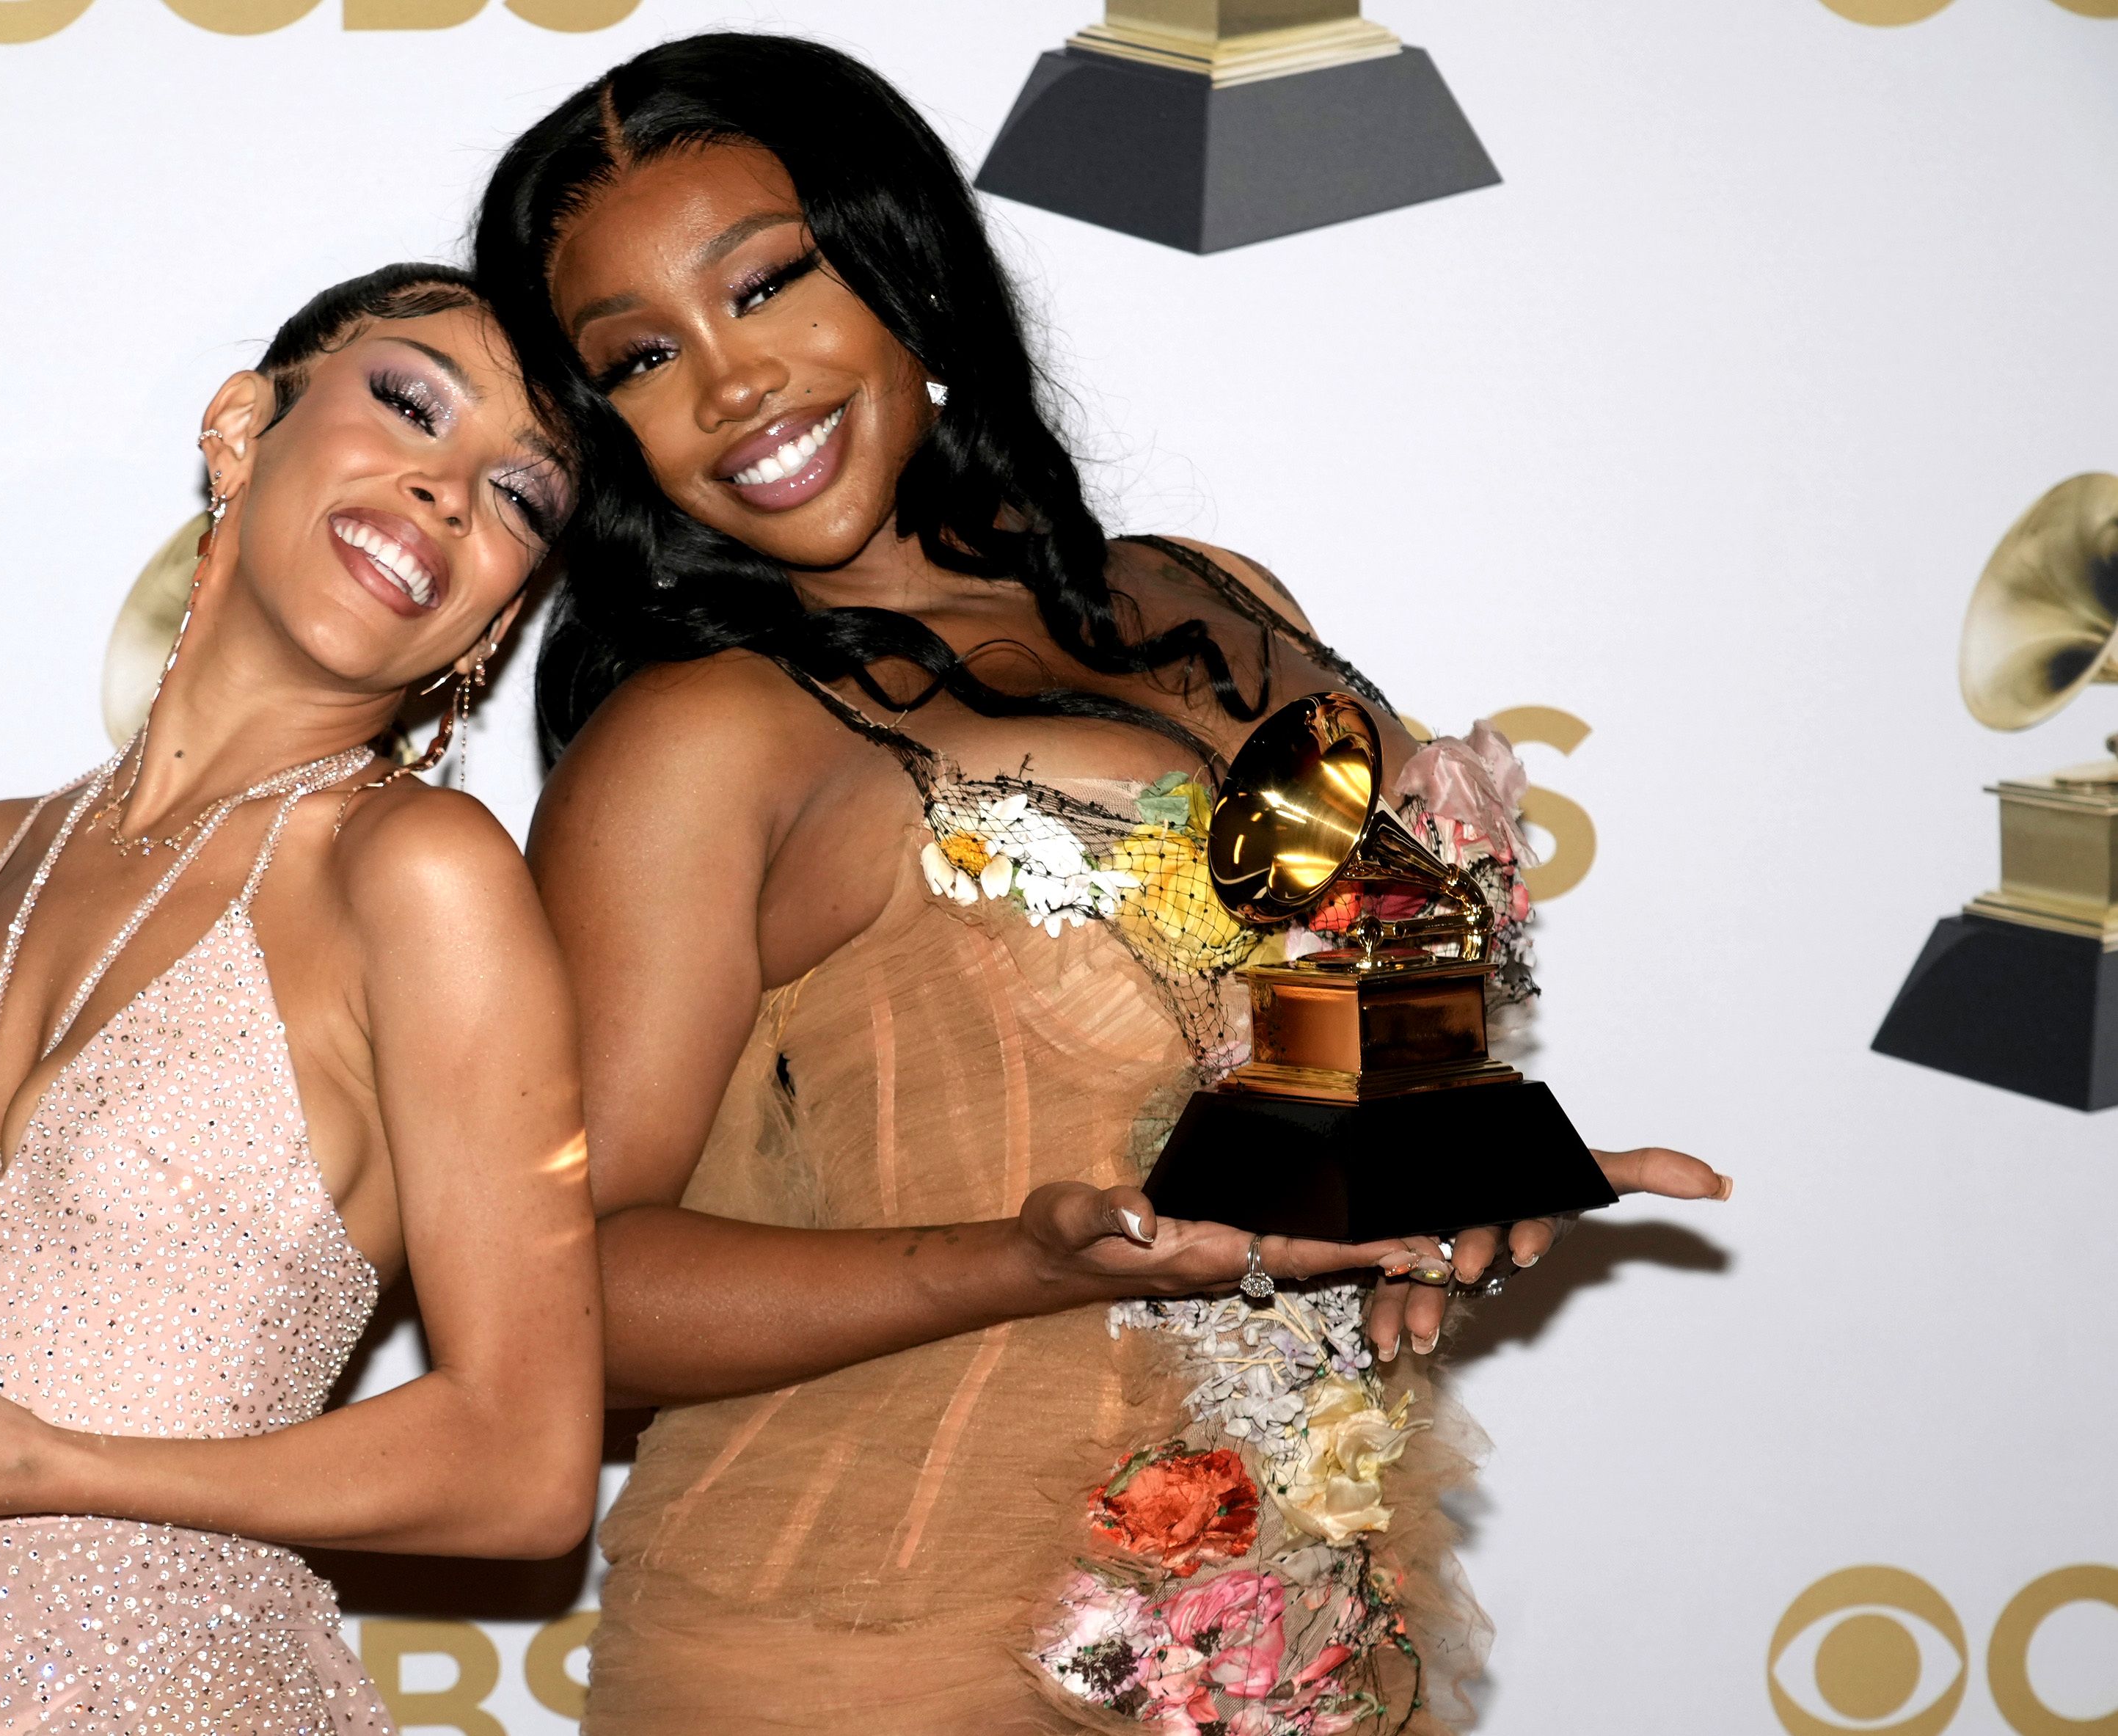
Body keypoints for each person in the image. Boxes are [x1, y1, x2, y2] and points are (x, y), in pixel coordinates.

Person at [470, 36, 1731, 1735]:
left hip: (1291, 1617)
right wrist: (1035, 1260)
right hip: (874, 1652)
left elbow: (1323, 1056)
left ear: (907, 260)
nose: (730, 384)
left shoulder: (1212, 596)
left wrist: (1443, 1179)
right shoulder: (700, 740)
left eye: (767, 283)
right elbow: (563, 1299)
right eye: (638, 356)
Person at [0, 263, 603, 1735]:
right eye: (409, 404)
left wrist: (64, 1468)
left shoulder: (418, 874)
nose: (447, 490)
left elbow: (525, 1465)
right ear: (240, 428)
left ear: (502, 611)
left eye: (519, 497)